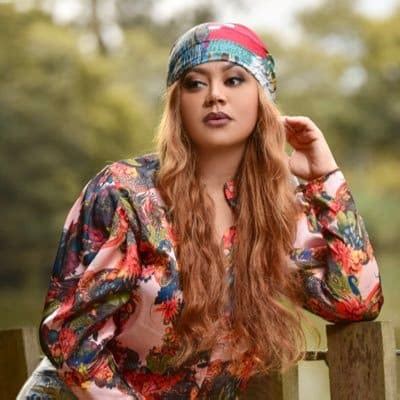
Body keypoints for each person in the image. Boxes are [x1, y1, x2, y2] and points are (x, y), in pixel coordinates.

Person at [19, 22, 384, 399]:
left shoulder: (274, 207)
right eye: (195, 84)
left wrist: (325, 178)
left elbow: (356, 301)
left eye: (234, 80)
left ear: (262, 98)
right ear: (177, 104)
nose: (215, 96)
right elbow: (69, 339)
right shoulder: (124, 194)